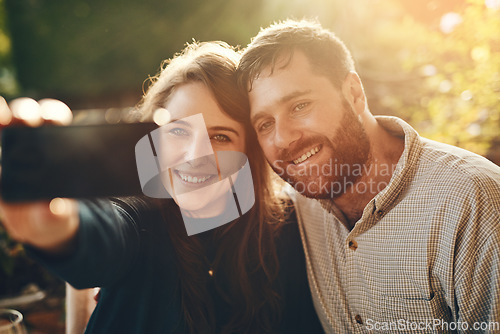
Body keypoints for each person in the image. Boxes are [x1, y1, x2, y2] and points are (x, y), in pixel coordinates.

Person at [0, 41, 324, 333]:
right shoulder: (140, 217)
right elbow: (104, 231)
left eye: (220, 136)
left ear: (248, 153)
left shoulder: (286, 231)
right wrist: (59, 225)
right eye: (179, 131)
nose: (196, 156)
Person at [237, 19, 500, 333]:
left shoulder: (471, 197)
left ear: (353, 93)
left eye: (299, 105)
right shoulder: (295, 211)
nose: (283, 138)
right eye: (265, 124)